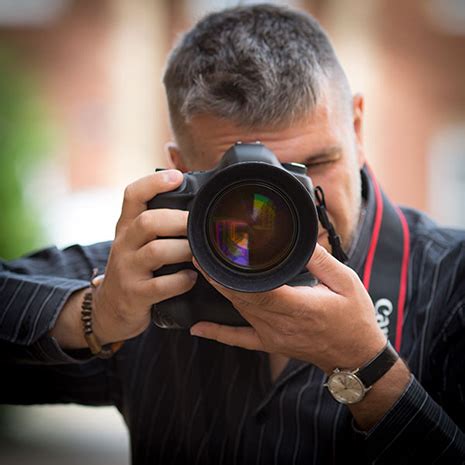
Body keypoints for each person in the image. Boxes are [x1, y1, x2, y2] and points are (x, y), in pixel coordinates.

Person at [1, 4, 464, 464]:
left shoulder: (451, 282)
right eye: (248, 184)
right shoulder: (151, 278)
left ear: (357, 128)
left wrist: (368, 367)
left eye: (314, 166)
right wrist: (94, 317)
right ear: (181, 169)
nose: (289, 204)